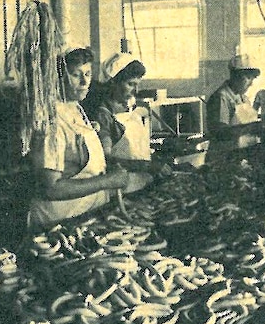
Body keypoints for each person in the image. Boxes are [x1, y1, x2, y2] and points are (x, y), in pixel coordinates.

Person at [27, 47, 130, 230]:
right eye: (76, 75)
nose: (84, 82)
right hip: (57, 223)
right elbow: (51, 187)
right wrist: (107, 181)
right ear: (57, 79)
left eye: (88, 74)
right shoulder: (52, 121)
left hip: (85, 214)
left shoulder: (75, 107)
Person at [83, 52, 169, 193]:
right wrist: (146, 166)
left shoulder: (130, 108)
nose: (135, 90)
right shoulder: (103, 115)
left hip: (142, 182)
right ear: (114, 82)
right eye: (130, 84)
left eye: (137, 84)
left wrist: (153, 160)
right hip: (121, 189)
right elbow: (106, 159)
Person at [206, 54, 261, 136]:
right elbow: (220, 132)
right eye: (248, 78)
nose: (251, 84)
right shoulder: (221, 97)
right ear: (235, 75)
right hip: (227, 148)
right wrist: (249, 128)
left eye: (253, 78)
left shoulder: (244, 98)